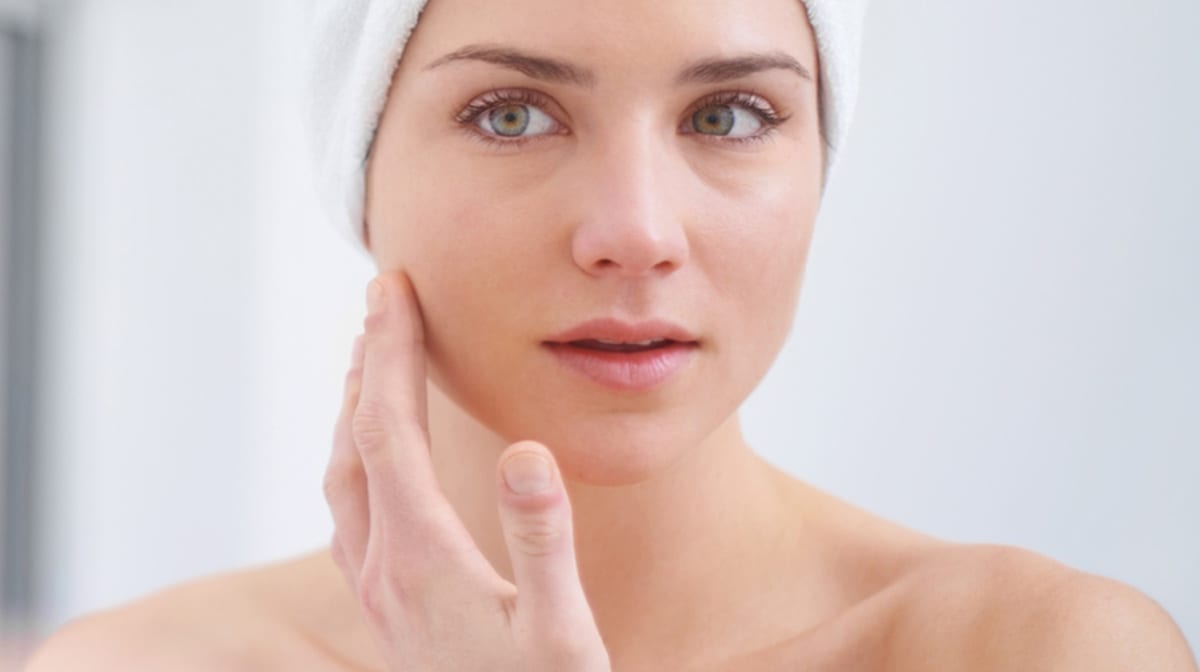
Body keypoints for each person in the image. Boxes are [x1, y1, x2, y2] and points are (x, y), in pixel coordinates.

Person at [25, 0, 1198, 669]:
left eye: (730, 115)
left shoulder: (1031, 654)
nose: (634, 233)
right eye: (514, 113)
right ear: (359, 172)